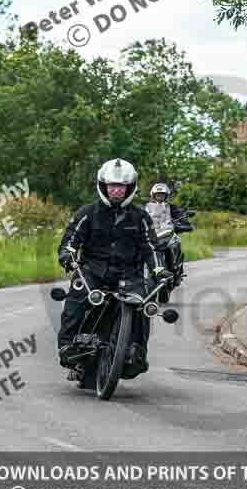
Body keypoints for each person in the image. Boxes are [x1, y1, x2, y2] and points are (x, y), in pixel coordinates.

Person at [56, 158, 172, 383]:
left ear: (130, 188)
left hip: (130, 274)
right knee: (78, 293)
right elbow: (71, 240)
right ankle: (68, 346)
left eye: (121, 187)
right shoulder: (87, 213)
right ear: (103, 186)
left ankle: (136, 353)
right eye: (112, 186)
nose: (116, 190)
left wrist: (159, 270)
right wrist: (67, 256)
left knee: (144, 300)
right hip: (94, 271)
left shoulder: (140, 217)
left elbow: (151, 246)